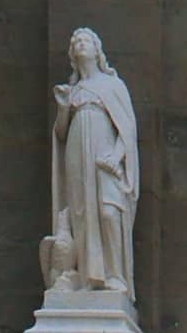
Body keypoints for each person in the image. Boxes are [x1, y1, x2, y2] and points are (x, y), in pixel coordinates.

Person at [43, 28, 140, 306]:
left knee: (109, 211)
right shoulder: (73, 91)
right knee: (80, 212)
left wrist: (116, 156)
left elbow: (127, 130)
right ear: (73, 55)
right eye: (75, 42)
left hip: (104, 153)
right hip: (76, 151)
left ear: (97, 50)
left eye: (85, 40)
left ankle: (114, 275)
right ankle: (86, 276)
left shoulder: (113, 86)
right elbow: (61, 134)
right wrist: (63, 108)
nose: (79, 44)